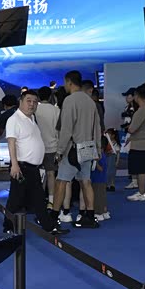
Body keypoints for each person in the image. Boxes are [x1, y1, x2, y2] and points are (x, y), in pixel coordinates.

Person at [3, 89, 67, 234]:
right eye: (28, 101)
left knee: (38, 199)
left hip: (33, 168)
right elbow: (11, 142)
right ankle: (8, 227)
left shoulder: (32, 118)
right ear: (21, 101)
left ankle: (48, 227)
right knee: (15, 200)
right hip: (21, 167)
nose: (32, 104)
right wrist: (14, 165)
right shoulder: (14, 119)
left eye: (35, 102)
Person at [53, 70, 102, 228]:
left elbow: (66, 129)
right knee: (86, 181)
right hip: (89, 147)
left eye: (65, 82)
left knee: (61, 181)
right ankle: (90, 216)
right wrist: (98, 148)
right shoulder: (90, 101)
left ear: (69, 82)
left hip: (73, 148)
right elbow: (97, 127)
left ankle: (53, 218)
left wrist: (60, 151)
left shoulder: (70, 100)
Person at [35, 86, 60, 205]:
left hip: (38, 147)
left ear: (39, 97)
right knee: (51, 174)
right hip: (53, 146)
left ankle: (39, 200)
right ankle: (51, 200)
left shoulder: (35, 109)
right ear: (50, 96)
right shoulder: (56, 110)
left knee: (40, 174)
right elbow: (59, 130)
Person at [91, 136, 110, 220]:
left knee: (97, 197)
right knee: (102, 196)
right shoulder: (103, 155)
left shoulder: (100, 156)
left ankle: (98, 213)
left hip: (97, 180)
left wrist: (95, 162)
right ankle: (104, 211)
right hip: (102, 180)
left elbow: (101, 169)